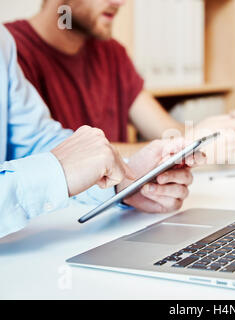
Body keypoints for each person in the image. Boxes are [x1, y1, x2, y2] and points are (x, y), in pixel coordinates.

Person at [0, 25, 203, 239]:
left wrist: (122, 182)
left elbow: (37, 144)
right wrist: (57, 172)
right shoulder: (23, 43)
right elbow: (54, 166)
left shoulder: (3, 42)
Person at [5, 0, 235, 156]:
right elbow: (53, 158)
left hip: (120, 209)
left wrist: (218, 131)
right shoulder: (11, 51)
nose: (120, 2)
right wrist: (189, 145)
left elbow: (167, 131)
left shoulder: (112, 54)